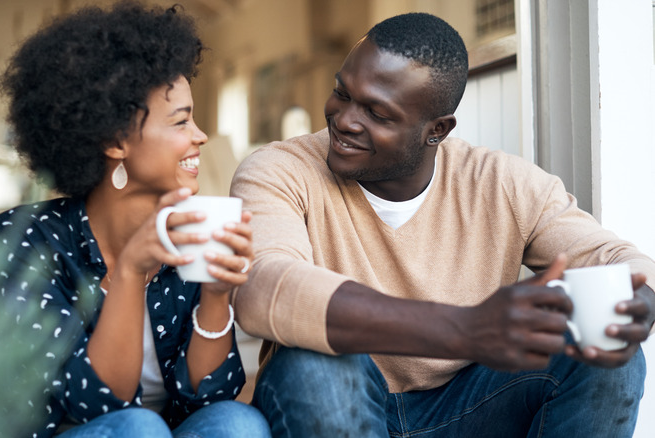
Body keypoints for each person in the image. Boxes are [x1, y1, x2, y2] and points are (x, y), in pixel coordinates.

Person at [230, 12, 655, 437]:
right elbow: (262, 287)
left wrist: (640, 296)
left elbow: (615, 258)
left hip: (468, 409)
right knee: (313, 362)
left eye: (376, 113)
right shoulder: (278, 170)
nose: (344, 120)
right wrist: (465, 329)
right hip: (337, 401)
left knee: (607, 350)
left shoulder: (502, 183)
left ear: (436, 130)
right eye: (342, 93)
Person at [0, 2, 270, 437]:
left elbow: (209, 398)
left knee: (239, 423)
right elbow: (98, 403)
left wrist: (215, 294)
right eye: (181, 121)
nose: (200, 135)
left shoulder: (187, 234)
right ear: (116, 140)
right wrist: (133, 270)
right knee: (139, 428)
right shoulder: (26, 241)